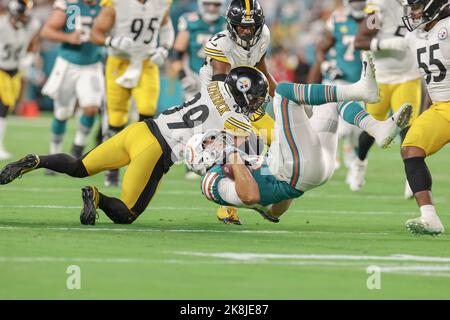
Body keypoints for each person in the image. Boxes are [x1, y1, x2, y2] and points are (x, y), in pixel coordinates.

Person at [0, 66, 269, 226]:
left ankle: (37, 160)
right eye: (255, 98)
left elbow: (210, 67)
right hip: (156, 151)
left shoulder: (214, 84)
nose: (257, 104)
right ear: (243, 93)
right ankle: (96, 196)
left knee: (80, 166)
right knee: (127, 214)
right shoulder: (235, 121)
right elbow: (226, 150)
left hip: (140, 129)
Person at [190, 54, 413, 223]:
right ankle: (360, 91)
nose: (215, 139)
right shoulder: (212, 180)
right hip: (299, 171)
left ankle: (376, 128)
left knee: (332, 99)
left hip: (306, 172)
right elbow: (249, 196)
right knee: (283, 93)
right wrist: (233, 156)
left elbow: (275, 210)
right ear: (201, 157)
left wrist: (280, 200)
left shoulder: (235, 160)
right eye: (208, 141)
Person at [199, 0, 278, 223]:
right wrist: (231, 117)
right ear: (231, 25)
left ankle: (270, 191)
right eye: (241, 26)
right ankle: (228, 205)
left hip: (246, 98)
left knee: (279, 138)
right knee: (236, 148)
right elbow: (219, 85)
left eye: (251, 26)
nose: (246, 30)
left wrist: (283, 99)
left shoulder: (263, 37)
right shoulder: (221, 44)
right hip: (218, 99)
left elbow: (262, 70)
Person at [90, 0, 174, 187]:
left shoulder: (161, 3)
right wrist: (111, 41)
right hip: (119, 63)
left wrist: (164, 48)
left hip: (146, 62)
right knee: (116, 119)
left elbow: (166, 25)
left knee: (147, 115)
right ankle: (112, 171)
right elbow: (95, 33)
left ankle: (140, 164)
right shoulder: (115, 4)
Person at [352, 0, 422, 195]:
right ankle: (359, 162)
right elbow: (360, 41)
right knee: (372, 129)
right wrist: (386, 43)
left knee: (408, 129)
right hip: (381, 77)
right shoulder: (379, 6)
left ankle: (412, 176)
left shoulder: (422, 3)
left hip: (409, 75)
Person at [401, 0, 449, 236]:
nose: (412, 12)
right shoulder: (415, 37)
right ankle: (429, 217)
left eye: (418, 5)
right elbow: (433, 81)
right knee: (411, 148)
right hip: (441, 107)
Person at [308, 0, 366, 183]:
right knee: (340, 128)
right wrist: (325, 65)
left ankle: (354, 162)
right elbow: (321, 47)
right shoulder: (337, 18)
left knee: (357, 132)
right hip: (338, 81)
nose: (358, 4)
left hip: (363, 81)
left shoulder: (374, 16)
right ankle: (332, 160)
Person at [40, 0, 103, 164]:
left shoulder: (106, 4)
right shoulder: (68, 4)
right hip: (68, 65)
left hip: (92, 65)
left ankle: (77, 148)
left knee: (91, 108)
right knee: (62, 113)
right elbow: (46, 31)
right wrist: (67, 37)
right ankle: (54, 154)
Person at [171, 0, 226, 180]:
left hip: (219, 77)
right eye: (208, 4)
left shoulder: (226, 24)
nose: (211, 8)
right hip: (194, 75)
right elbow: (178, 52)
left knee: (218, 121)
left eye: (216, 5)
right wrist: (182, 76)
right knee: (196, 122)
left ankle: (213, 160)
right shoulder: (190, 20)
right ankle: (191, 162)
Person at [0, 0, 40, 160]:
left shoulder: (32, 25)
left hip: (14, 71)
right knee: (2, 108)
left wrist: (30, 57)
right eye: (23, 15)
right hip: (1, 69)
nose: (26, 18)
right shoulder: (2, 25)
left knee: (6, 108)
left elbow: (32, 45)